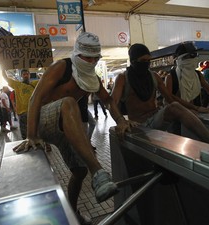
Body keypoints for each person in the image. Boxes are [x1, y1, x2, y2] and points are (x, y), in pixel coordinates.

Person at [13, 32, 136, 223]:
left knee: (79, 172)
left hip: (62, 124)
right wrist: (31, 134)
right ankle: (98, 172)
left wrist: (120, 119)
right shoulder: (61, 67)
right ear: (77, 54)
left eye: (95, 58)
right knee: (69, 103)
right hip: (40, 120)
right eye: (87, 57)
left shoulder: (92, 77)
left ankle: (73, 213)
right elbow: (35, 98)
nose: (91, 61)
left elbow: (108, 100)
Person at [112, 43, 209, 145]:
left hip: (155, 117)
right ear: (133, 61)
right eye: (143, 61)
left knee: (175, 106)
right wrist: (121, 120)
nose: (147, 64)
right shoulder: (123, 78)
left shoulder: (154, 76)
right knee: (175, 107)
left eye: (149, 61)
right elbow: (112, 102)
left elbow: (170, 98)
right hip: (139, 123)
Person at [1, 69, 39, 140]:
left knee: (36, 131)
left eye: (27, 74)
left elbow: (48, 79)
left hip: (34, 112)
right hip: (22, 113)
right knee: (24, 134)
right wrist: (3, 67)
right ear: (21, 76)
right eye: (24, 74)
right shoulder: (17, 85)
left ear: (29, 75)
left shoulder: (35, 83)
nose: (26, 75)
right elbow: (5, 77)